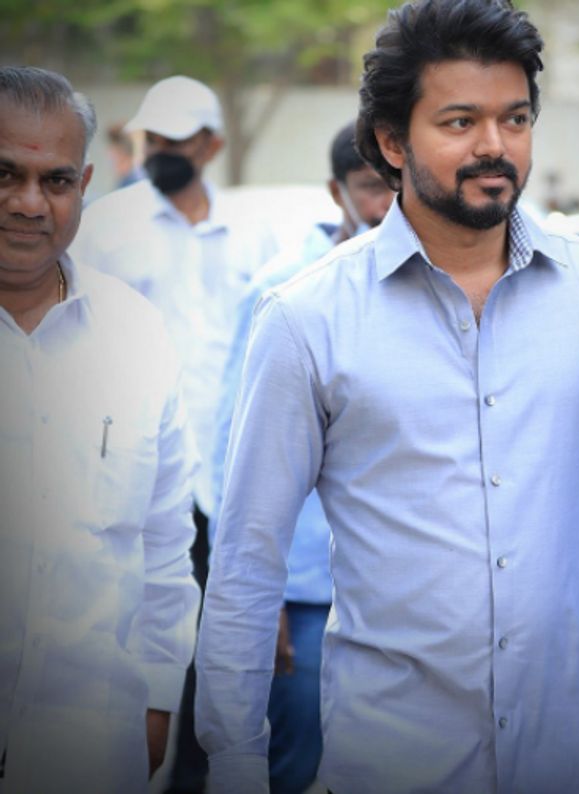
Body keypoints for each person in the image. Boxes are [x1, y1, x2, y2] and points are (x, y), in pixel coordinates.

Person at [195, 2, 579, 793]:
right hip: (389, 767)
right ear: (391, 141)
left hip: (571, 766)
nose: (495, 145)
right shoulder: (307, 319)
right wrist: (234, 759)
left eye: (516, 118)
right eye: (460, 121)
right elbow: (248, 556)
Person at [70, 74, 278, 794]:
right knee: (140, 626)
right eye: (151, 137)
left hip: (228, 470)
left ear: (211, 145)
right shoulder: (105, 228)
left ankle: (197, 775)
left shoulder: (253, 234)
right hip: (139, 466)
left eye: (176, 140)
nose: (159, 150)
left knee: (220, 637)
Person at [0, 66, 199, 793]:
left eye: (55, 181)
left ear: (84, 186)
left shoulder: (136, 333)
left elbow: (164, 546)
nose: (30, 203)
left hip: (89, 745)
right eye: (5, 174)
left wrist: (157, 702)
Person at [210, 120, 393, 793]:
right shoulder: (287, 290)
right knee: (294, 763)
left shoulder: (427, 286)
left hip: (391, 591)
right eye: (369, 187)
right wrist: (269, 603)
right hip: (305, 587)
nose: (386, 204)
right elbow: (232, 450)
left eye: (395, 185)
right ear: (335, 191)